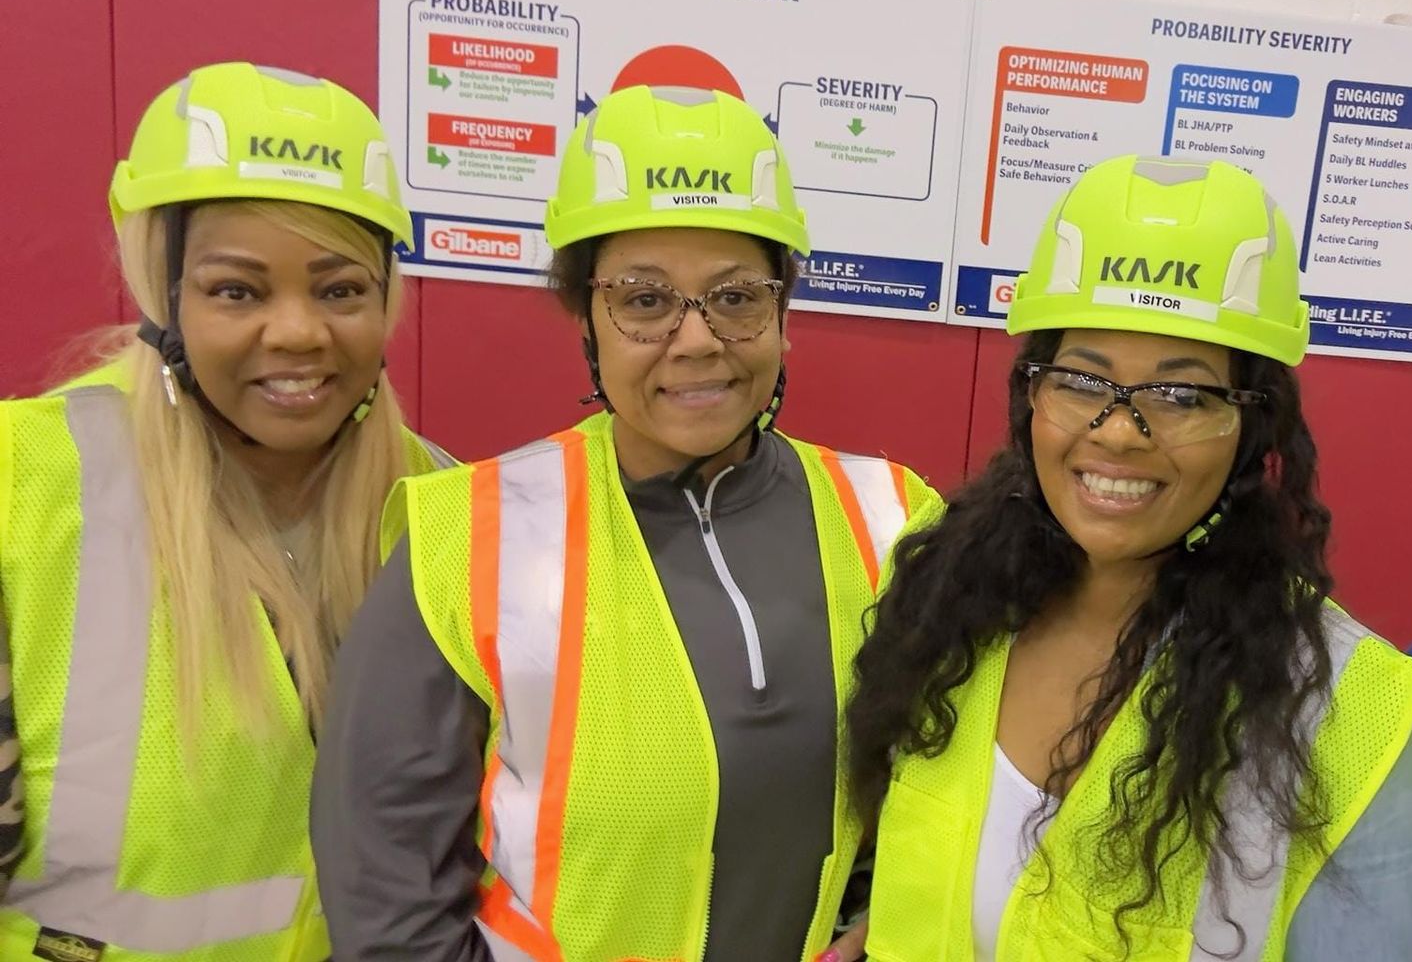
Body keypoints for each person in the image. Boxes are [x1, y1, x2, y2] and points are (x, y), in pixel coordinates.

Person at [311, 84, 942, 962]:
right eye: (644, 301)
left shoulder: (895, 519)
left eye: (736, 298)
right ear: (586, 320)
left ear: (784, 312)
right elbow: (387, 895)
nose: (696, 339)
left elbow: (947, 799)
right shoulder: (468, 535)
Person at [847, 154, 1412, 961]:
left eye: (1181, 395)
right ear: (1032, 392)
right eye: (1080, 380)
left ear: (1253, 426)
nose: (1115, 432)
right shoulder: (948, 608)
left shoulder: (1359, 719)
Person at [0, 60, 452, 959]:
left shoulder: (446, 513)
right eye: (236, 290)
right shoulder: (22, 487)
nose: (297, 332)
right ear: (162, 296)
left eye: (340, 288)